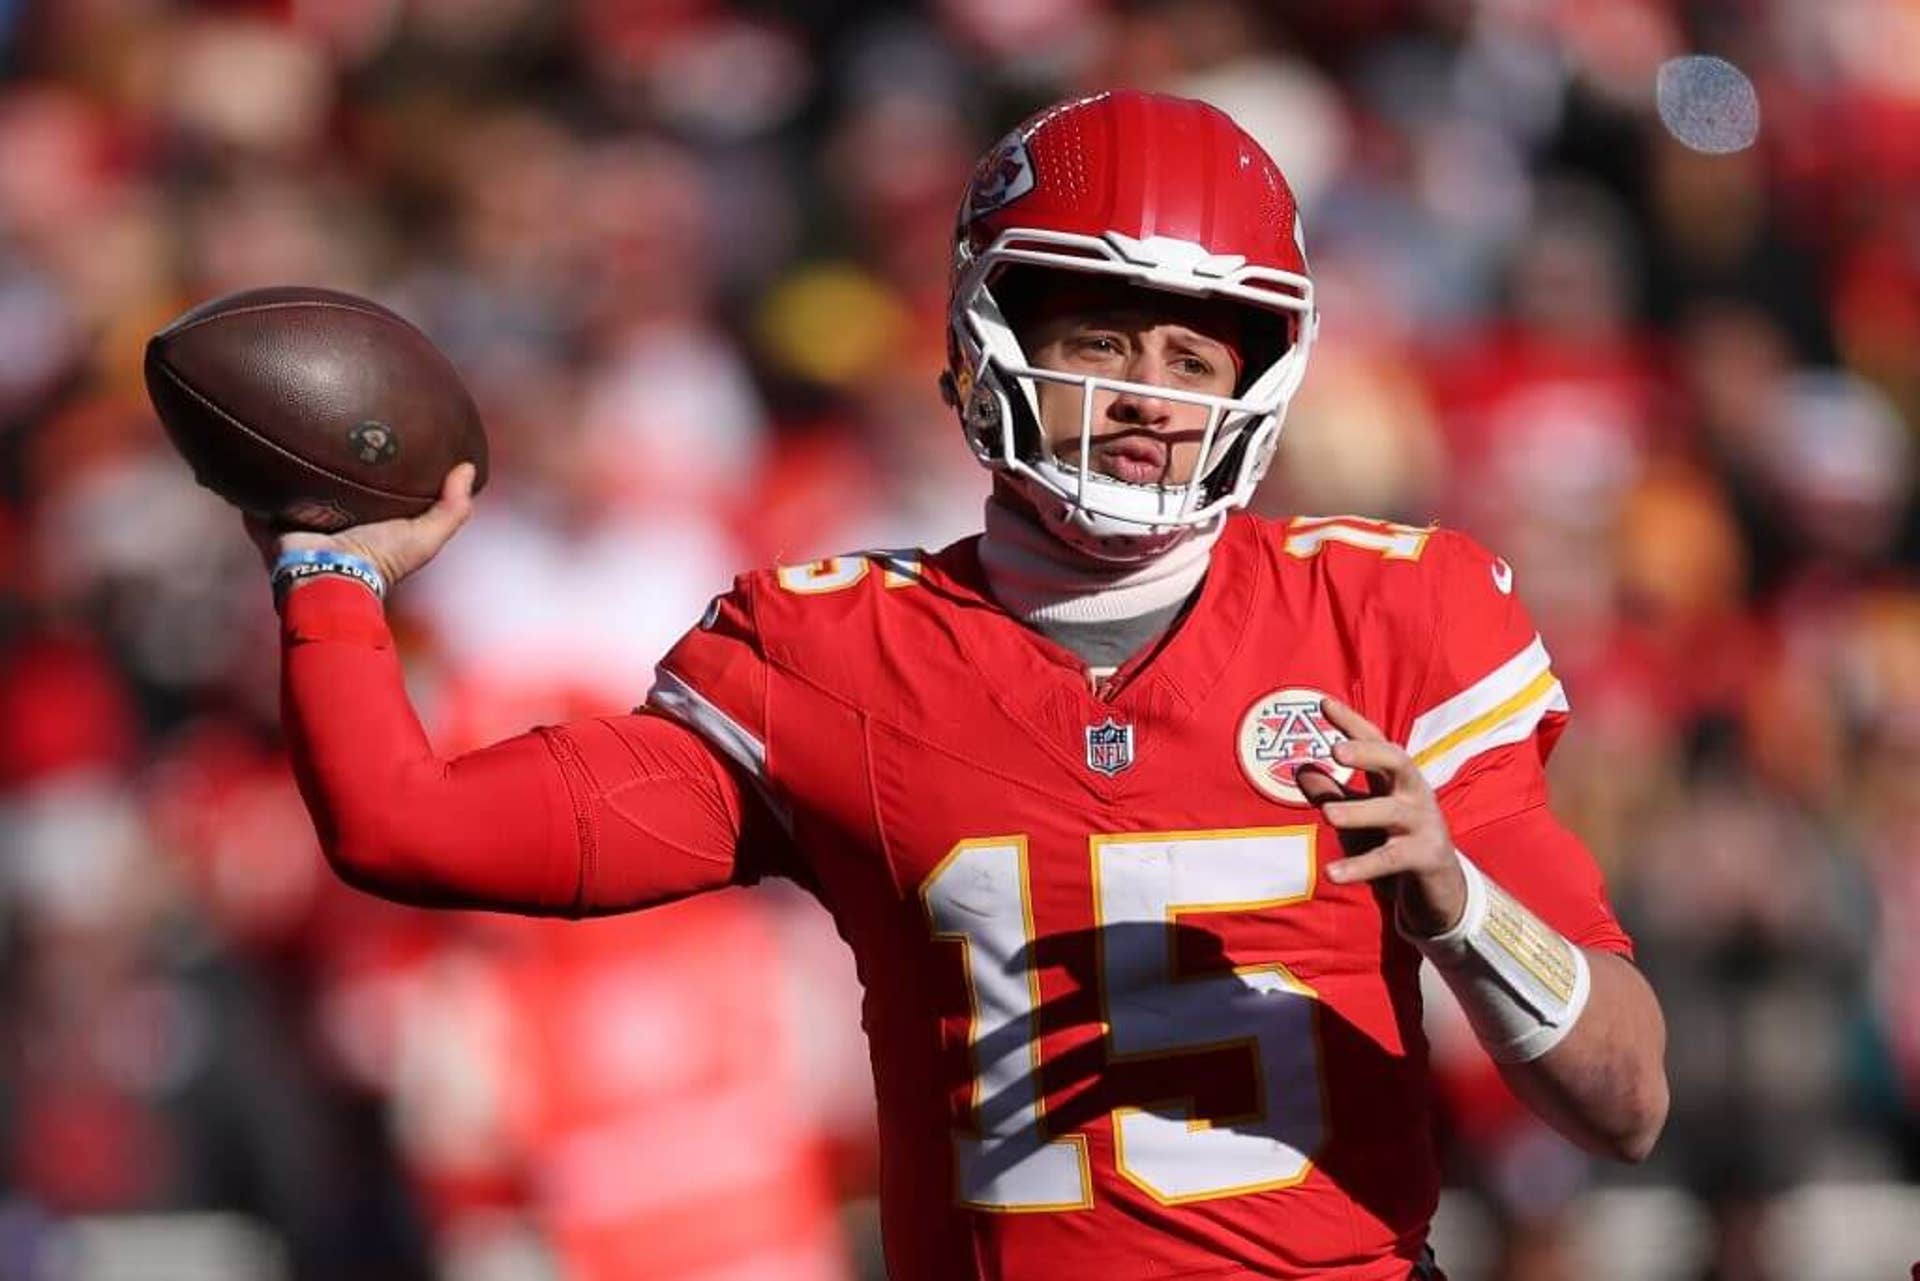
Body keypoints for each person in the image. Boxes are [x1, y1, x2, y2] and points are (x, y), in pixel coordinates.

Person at [257, 91, 1667, 1280]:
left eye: (1192, 353)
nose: (1147, 396)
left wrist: (1465, 909)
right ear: (989, 340)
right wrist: (330, 576)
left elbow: (1626, 1100)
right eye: (1101, 339)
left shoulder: (1391, 616)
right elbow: (405, 823)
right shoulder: (834, 655)